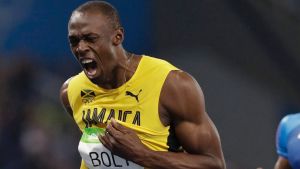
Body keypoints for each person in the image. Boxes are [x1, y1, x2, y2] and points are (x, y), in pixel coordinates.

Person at [60, 1, 226, 169]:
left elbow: (214, 164)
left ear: (118, 37)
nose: (80, 48)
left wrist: (142, 155)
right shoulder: (71, 91)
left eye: (90, 39)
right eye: (74, 41)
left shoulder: (172, 84)